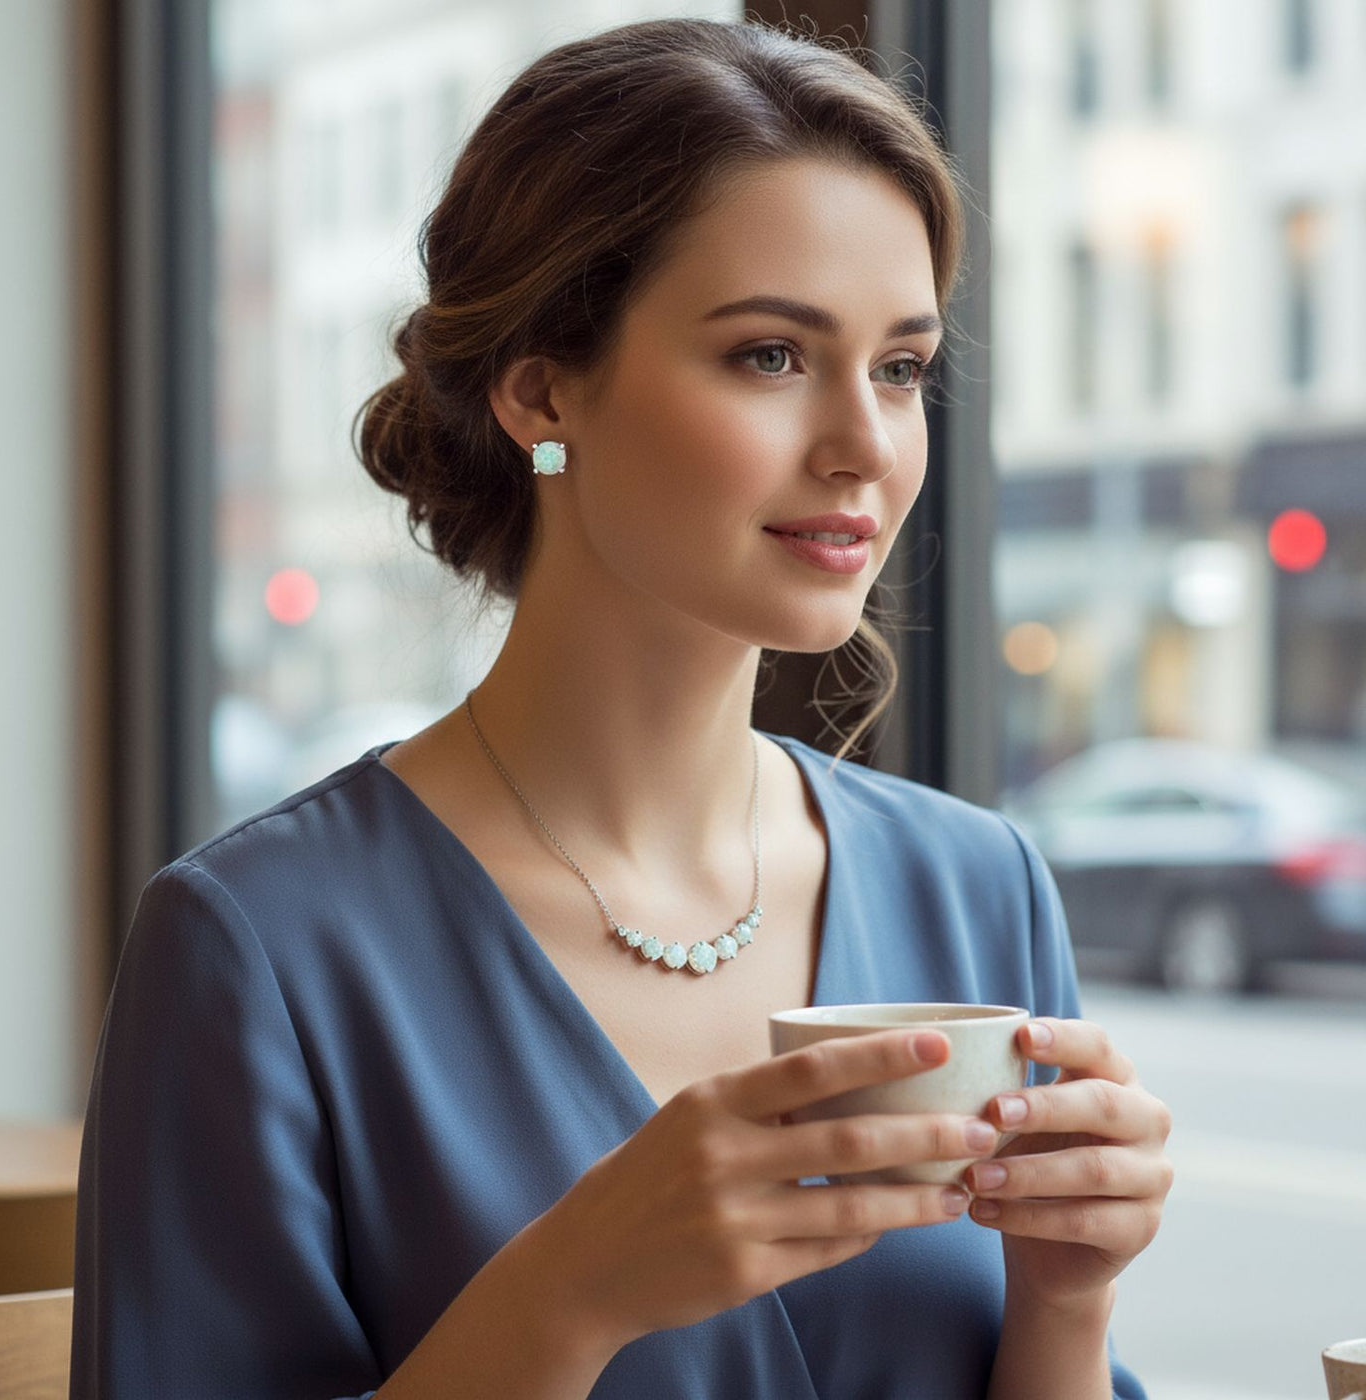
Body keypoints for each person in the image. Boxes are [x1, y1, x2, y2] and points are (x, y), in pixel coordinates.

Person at [70, 17, 1170, 1399]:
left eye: (900, 368)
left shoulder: (980, 886)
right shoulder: (263, 950)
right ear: (541, 388)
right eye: (771, 355)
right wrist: (569, 1293)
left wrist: (1068, 1302)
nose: (865, 448)